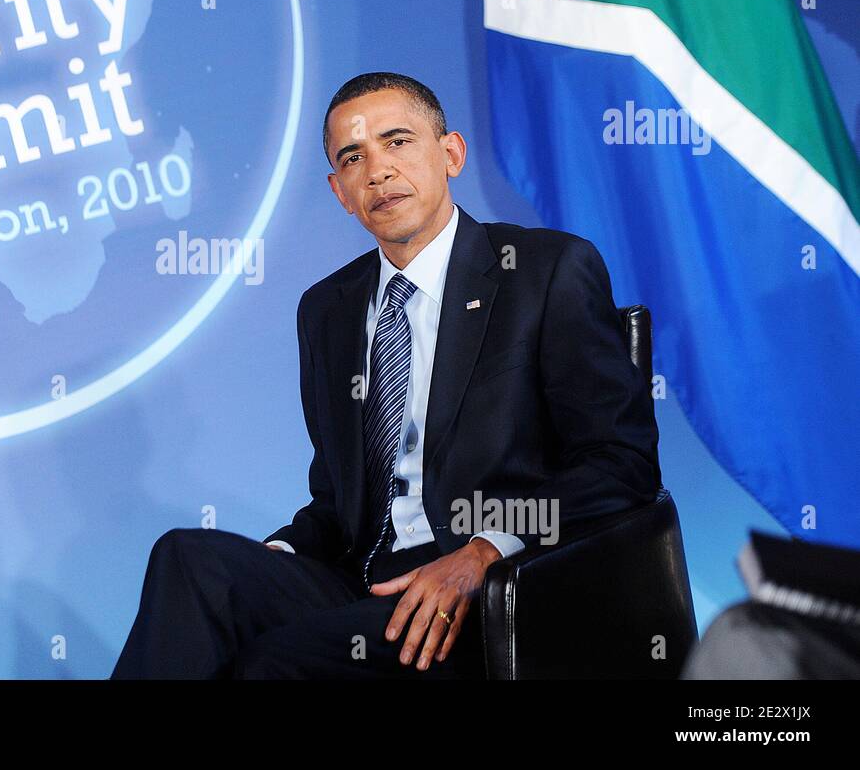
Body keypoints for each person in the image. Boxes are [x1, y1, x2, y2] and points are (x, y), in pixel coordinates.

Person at [111, 71, 660, 679]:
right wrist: (275, 558)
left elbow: (621, 463)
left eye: (397, 142)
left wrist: (485, 551)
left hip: (494, 589)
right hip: (364, 581)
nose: (377, 170)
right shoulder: (328, 310)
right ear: (339, 190)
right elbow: (337, 503)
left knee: (271, 664)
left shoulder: (544, 271)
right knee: (188, 559)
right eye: (353, 158)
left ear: (450, 154)